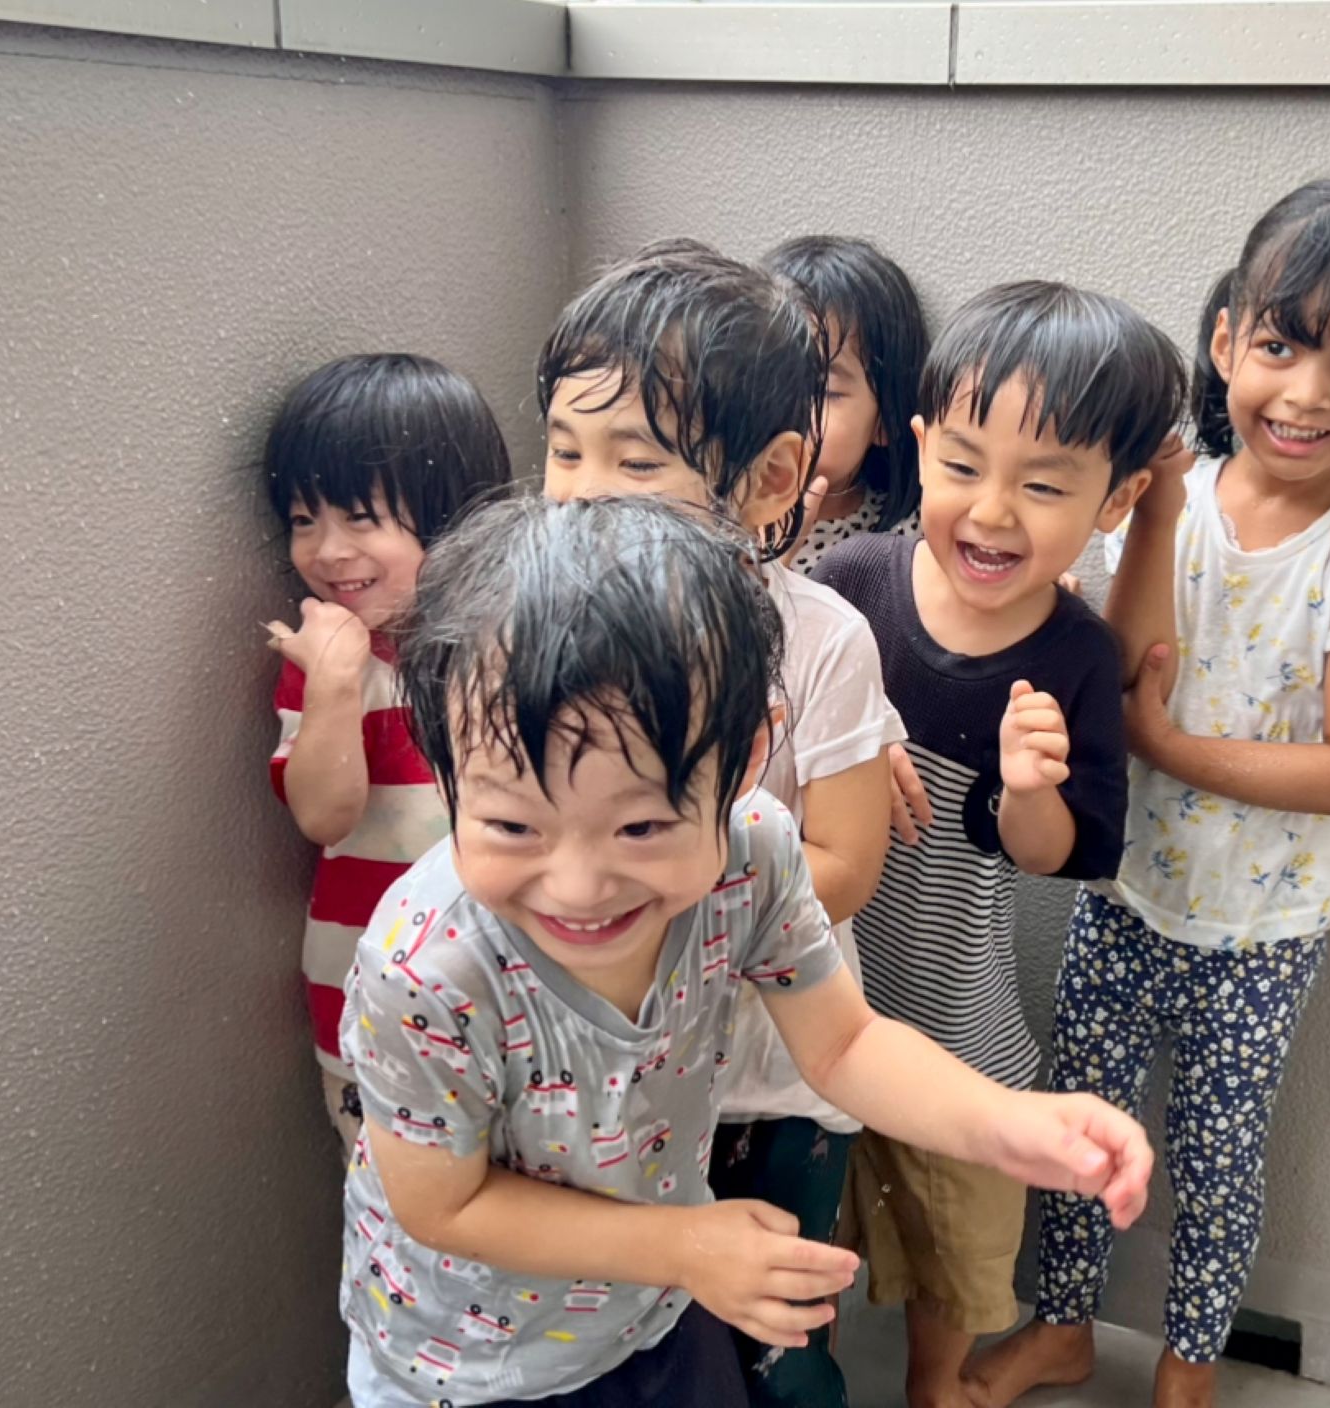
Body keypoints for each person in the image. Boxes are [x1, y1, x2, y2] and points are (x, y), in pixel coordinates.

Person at [336, 493, 1155, 1408]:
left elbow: (844, 1044)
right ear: (444, 761)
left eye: (642, 826)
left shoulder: (755, 853)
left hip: (654, 1304)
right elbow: (443, 1203)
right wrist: (688, 1245)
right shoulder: (427, 969)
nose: (577, 885)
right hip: (467, 1363)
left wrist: (1003, 1122)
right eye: (511, 826)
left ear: (747, 756)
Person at [977, 179, 1330, 1408]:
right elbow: (1126, 664)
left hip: (1260, 932)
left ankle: (1189, 1367)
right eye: (1282, 345)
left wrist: (1166, 743)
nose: (1307, 392)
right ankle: (1062, 1326)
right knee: (1078, 1121)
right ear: (1228, 338)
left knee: (1217, 1158)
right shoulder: (1170, 508)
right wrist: (1157, 514)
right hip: (1121, 891)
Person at [538, 239, 903, 1407]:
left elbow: (846, 863)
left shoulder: (822, 639)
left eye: (634, 459)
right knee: (649, 1343)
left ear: (771, 477)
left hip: (771, 1077)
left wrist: (674, 900)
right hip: (621, 1081)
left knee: (774, 1349)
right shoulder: (542, 636)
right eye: (564, 450)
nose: (583, 489)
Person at [814, 280, 1185, 1408]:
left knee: (958, 1243)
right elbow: (768, 739)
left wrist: (1031, 787)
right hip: (817, 997)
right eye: (964, 465)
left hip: (957, 1013)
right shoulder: (850, 586)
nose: (991, 512)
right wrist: (856, 737)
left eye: (1044, 485)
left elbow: (1055, 858)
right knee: (802, 1225)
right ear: (920, 445)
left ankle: (935, 1385)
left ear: (1116, 500)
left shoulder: (1075, 656)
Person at [261, 352, 511, 1152]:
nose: (327, 550)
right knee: (390, 1202)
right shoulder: (325, 666)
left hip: (507, 995)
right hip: (367, 999)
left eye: (361, 517)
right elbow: (323, 816)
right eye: (304, 520)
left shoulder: (514, 646)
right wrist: (336, 680)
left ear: (457, 516)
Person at [761, 235, 928, 575]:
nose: (782, 406)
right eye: (764, 377)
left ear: (886, 420)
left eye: (824, 390)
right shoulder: (710, 516)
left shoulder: (907, 544)